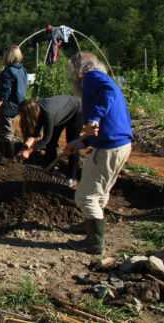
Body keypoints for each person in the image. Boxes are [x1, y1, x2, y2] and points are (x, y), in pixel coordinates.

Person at [63, 52, 132, 255]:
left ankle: (94, 242)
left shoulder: (92, 78)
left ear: (79, 70)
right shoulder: (102, 78)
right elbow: (105, 121)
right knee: (99, 192)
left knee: (85, 196)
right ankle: (90, 225)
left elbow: (107, 95)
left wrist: (93, 118)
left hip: (109, 148)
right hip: (119, 144)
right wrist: (80, 142)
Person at [18, 96, 83, 182]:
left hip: (76, 111)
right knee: (52, 142)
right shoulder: (37, 109)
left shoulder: (48, 114)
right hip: (60, 113)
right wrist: (26, 146)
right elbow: (36, 132)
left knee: (72, 144)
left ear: (30, 114)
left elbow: (46, 140)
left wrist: (29, 151)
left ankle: (72, 176)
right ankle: (50, 166)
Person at [0, 45, 28, 158]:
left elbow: (5, 91)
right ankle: (6, 152)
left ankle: (8, 157)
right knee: (10, 129)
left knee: (5, 132)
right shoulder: (22, 69)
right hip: (19, 103)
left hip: (8, 105)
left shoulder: (8, 72)